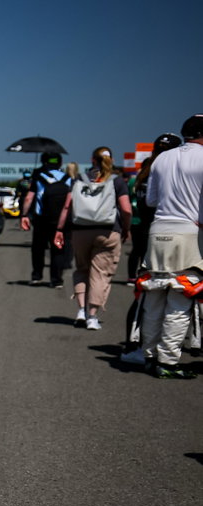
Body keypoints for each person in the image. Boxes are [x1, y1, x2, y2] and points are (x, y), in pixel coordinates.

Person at [138, 115, 203, 378]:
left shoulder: (163, 158)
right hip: (188, 233)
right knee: (180, 298)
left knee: (154, 296)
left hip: (158, 230)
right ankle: (168, 361)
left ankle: (149, 355)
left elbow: (151, 200)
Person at [53, 147, 132, 330]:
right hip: (108, 231)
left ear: (92, 160)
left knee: (82, 269)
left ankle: (81, 310)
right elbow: (126, 209)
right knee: (100, 273)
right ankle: (93, 316)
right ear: (111, 160)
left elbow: (67, 206)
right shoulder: (116, 181)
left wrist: (59, 229)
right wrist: (126, 228)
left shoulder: (79, 179)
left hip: (80, 230)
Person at [128, 133, 181, 283]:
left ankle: (137, 281)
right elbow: (152, 201)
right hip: (165, 225)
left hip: (145, 224)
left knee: (143, 260)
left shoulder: (145, 172)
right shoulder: (168, 170)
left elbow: (146, 200)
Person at [21, 152, 73, 287]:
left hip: (41, 219)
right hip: (61, 220)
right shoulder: (68, 179)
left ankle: (36, 276)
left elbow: (29, 198)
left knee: (38, 248)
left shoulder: (39, 178)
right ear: (60, 163)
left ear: (44, 163)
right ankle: (56, 280)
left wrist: (24, 215)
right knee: (58, 250)